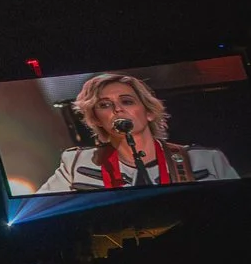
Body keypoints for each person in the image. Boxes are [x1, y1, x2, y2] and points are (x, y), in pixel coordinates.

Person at [35, 71, 238, 191]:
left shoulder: (208, 160)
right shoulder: (76, 164)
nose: (117, 109)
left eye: (127, 101)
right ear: (97, 120)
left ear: (148, 113)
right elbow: (38, 211)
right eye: (105, 105)